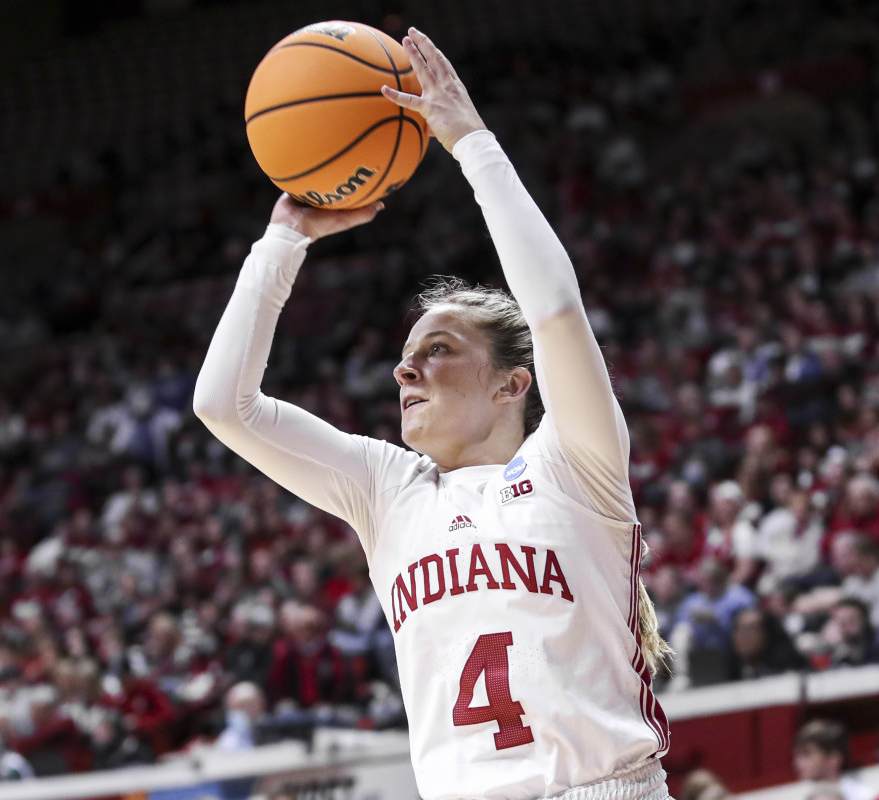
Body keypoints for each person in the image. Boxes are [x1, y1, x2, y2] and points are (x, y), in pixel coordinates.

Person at [194, 26, 671, 800]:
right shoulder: (389, 492)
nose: (405, 369)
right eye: (407, 354)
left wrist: (472, 144)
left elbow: (554, 310)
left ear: (512, 385)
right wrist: (283, 241)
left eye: (439, 349)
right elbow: (224, 405)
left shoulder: (573, 465)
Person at [792, 719, 873, 800]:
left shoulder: (862, 796)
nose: (797, 762)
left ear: (833, 759)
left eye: (806, 754)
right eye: (797, 755)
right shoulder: (799, 793)